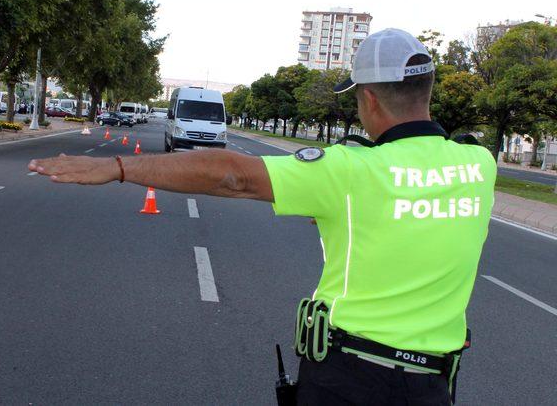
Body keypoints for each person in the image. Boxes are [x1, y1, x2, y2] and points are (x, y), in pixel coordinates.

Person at [28, 28, 496, 405]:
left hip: (351, 380)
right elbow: (418, 213)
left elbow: (233, 176)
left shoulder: (351, 170)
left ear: (369, 99)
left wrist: (117, 167)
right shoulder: (479, 166)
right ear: (427, 89)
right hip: (435, 385)